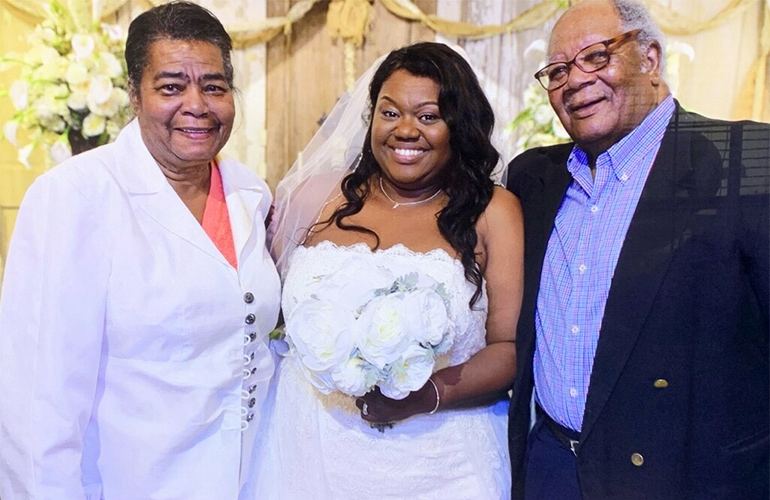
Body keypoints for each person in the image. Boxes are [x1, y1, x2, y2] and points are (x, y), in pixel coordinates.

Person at [0, 2, 281, 499]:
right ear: (133, 94)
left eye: (213, 86)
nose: (197, 104)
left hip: (247, 479)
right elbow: (37, 403)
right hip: (131, 483)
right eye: (171, 86)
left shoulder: (249, 192)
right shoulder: (76, 196)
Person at [506, 0, 770, 499]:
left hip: (685, 478)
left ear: (649, 58)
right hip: (550, 468)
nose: (575, 80)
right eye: (558, 70)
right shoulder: (533, 177)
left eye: (596, 56)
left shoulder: (748, 160)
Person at [258, 42, 523, 499]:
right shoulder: (314, 197)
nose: (405, 130)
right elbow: (263, 313)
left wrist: (426, 394)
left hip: (439, 462)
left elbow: (509, 348)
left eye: (427, 116)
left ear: (457, 125)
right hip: (307, 447)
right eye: (390, 112)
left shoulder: (493, 212)